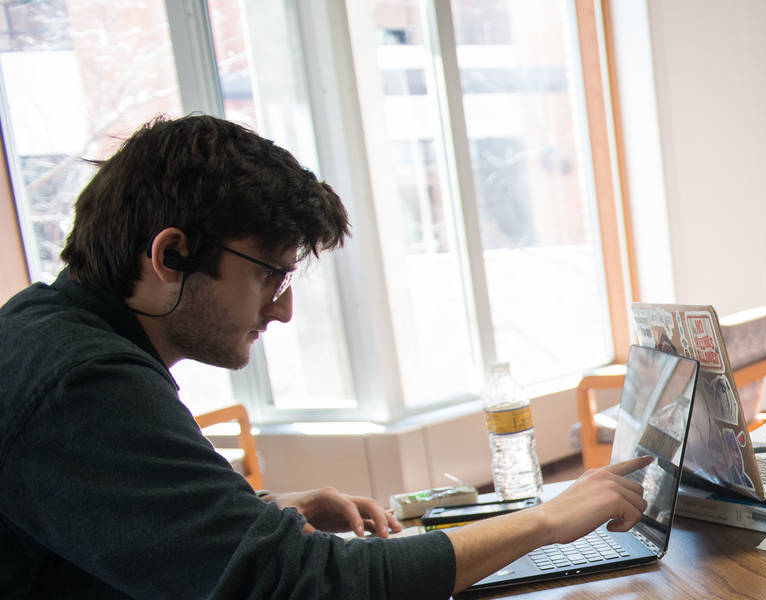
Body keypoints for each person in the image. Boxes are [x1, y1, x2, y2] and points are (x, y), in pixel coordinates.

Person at [0, 115, 653, 597]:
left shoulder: (42, 331)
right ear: (171, 257)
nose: (281, 309)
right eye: (269, 277)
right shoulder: (83, 382)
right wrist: (545, 521)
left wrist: (258, 513)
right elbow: (305, 586)